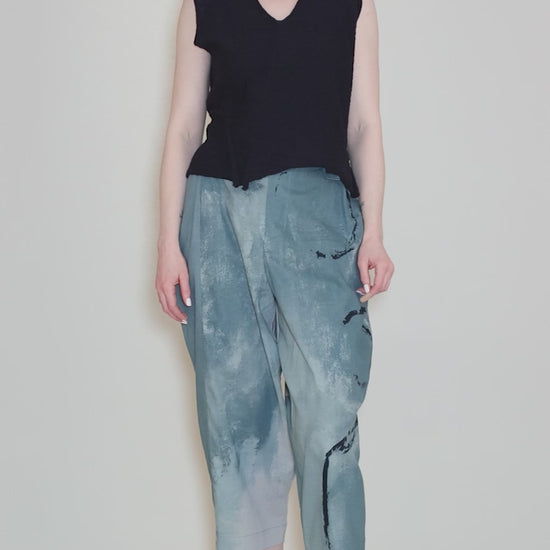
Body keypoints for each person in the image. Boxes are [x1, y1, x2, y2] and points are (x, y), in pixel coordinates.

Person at [156, 0, 394, 548]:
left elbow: (363, 124)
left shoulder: (353, 6)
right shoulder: (203, 5)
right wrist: (168, 242)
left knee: (330, 410)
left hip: (321, 219)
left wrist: (375, 231)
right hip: (217, 219)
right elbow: (184, 126)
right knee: (238, 423)